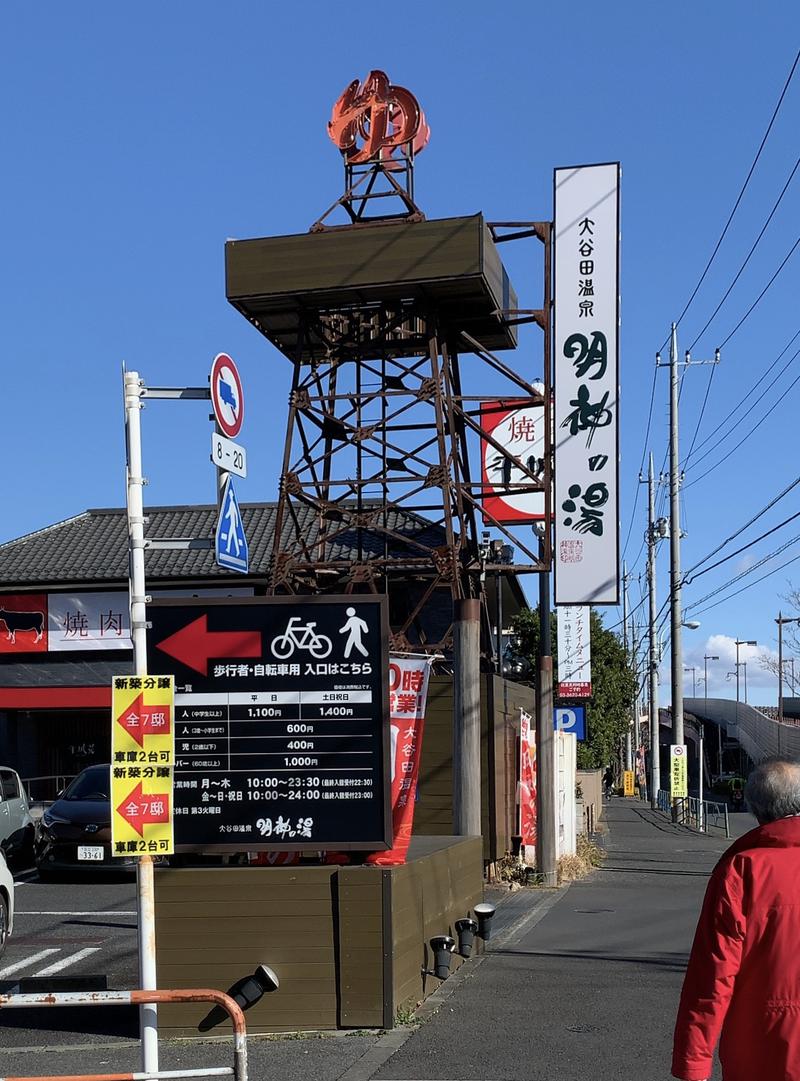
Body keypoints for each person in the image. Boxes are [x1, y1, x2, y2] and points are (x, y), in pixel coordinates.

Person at [672, 756, 800, 1081]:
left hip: (762, 1049)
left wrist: (693, 1065)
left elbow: (712, 977)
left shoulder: (742, 871)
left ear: (757, 811)